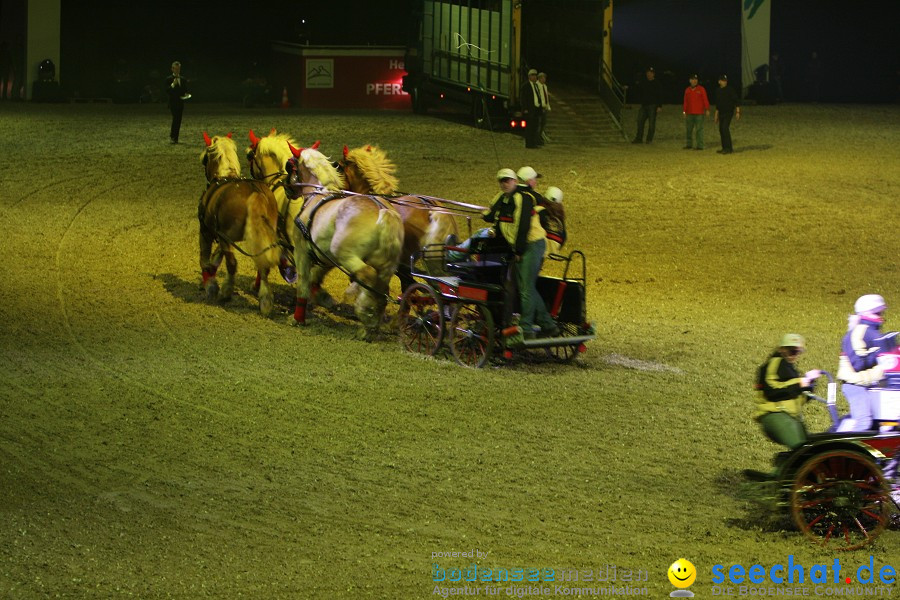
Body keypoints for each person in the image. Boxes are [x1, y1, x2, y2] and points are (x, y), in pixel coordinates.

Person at [482, 167, 558, 338]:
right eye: (502, 181)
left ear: (516, 181)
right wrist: (486, 216)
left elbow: (523, 226)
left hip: (532, 244)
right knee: (527, 286)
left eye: (507, 180)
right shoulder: (503, 198)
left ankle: (526, 327)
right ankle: (548, 324)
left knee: (525, 288)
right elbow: (491, 214)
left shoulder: (522, 198)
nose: (504, 184)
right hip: (523, 246)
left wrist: (518, 250)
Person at [835, 294, 899, 432]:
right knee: (864, 422)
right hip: (856, 385)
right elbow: (857, 364)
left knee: (883, 421)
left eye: (881, 311)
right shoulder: (859, 331)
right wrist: (880, 353)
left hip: (871, 384)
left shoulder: (872, 331)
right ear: (864, 312)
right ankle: (843, 448)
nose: (880, 314)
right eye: (876, 311)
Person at [753, 333, 822, 450]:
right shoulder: (775, 363)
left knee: (807, 450)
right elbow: (771, 391)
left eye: (797, 351)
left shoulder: (788, 368)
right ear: (781, 349)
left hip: (787, 417)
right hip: (777, 415)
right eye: (791, 351)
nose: (794, 355)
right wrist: (801, 383)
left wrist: (808, 386)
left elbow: (793, 396)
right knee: (803, 452)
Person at [632, 67, 663, 144]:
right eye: (648, 73)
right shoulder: (644, 82)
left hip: (653, 105)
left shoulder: (656, 83)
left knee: (651, 124)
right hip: (644, 105)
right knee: (640, 121)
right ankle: (639, 138)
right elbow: (638, 89)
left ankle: (649, 139)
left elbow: (660, 95)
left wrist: (659, 106)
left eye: (650, 73)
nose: (649, 74)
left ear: (653, 74)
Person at [714, 75, 741, 154]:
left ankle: (729, 148)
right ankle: (724, 147)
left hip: (728, 112)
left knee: (725, 128)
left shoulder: (730, 90)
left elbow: (736, 101)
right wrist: (716, 114)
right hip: (721, 112)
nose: (724, 82)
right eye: (722, 80)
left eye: (725, 80)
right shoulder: (718, 91)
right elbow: (718, 104)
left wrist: (738, 112)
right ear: (719, 81)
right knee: (721, 130)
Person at [682, 74, 709, 150]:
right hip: (689, 112)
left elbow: (705, 99)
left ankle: (700, 145)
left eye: (696, 79)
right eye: (693, 79)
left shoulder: (701, 89)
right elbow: (685, 102)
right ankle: (689, 144)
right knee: (689, 129)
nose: (694, 81)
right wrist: (684, 111)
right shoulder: (687, 90)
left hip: (699, 113)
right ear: (690, 80)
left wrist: (707, 109)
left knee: (699, 129)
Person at [519, 68, 544, 149]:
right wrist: (525, 108)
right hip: (529, 110)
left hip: (536, 109)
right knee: (529, 127)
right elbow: (523, 99)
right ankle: (529, 143)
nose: (534, 77)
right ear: (529, 76)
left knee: (535, 126)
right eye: (532, 75)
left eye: (535, 75)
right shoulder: (525, 86)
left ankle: (533, 143)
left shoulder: (536, 86)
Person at [165, 61, 189, 144]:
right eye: (176, 69)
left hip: (180, 102)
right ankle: (173, 137)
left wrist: (186, 94)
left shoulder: (183, 79)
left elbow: (185, 90)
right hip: (172, 103)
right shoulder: (168, 79)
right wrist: (172, 85)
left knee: (178, 120)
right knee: (176, 119)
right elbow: (167, 91)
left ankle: (175, 138)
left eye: (179, 69)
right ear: (172, 69)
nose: (177, 70)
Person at [538, 186, 566, 256]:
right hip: (554, 252)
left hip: (539, 251)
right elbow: (563, 236)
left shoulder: (538, 210)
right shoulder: (559, 216)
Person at [537, 72, 551, 144]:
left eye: (545, 78)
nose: (544, 79)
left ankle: (540, 137)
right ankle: (538, 138)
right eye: (543, 78)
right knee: (539, 123)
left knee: (543, 123)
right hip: (540, 107)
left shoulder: (544, 86)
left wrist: (548, 106)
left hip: (544, 107)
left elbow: (546, 97)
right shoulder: (537, 86)